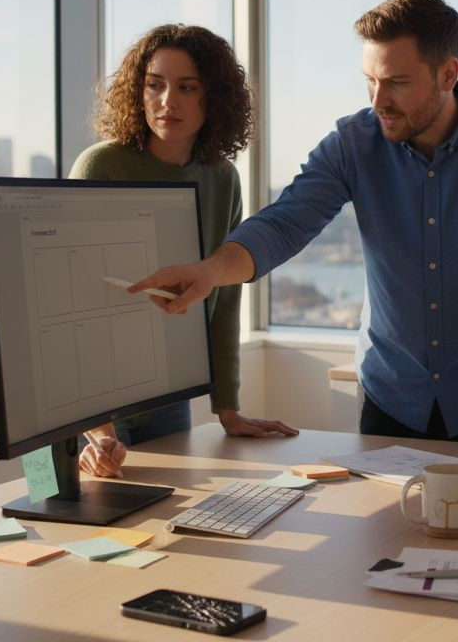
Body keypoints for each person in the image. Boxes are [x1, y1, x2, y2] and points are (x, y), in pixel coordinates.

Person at [131, 0, 458, 461]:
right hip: (391, 395)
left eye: (396, 82)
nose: (379, 101)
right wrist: (212, 271)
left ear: (448, 74)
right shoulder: (353, 143)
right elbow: (285, 222)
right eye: (369, 81)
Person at [70, 24, 298, 479]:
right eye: (154, 85)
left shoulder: (221, 177)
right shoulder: (101, 165)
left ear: (212, 98)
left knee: (166, 524)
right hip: (87, 399)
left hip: (166, 394)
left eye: (186, 87)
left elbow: (224, 296)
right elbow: (76, 303)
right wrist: (98, 430)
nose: (166, 101)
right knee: (82, 527)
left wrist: (228, 410)